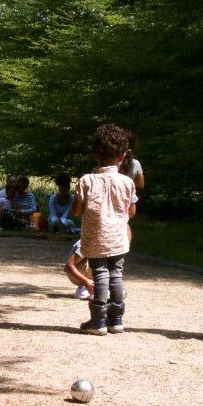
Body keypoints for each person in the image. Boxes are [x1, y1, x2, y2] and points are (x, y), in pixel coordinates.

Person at [71, 124, 137, 335]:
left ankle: (98, 320)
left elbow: (75, 211)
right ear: (123, 155)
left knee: (100, 275)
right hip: (118, 238)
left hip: (96, 238)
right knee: (116, 274)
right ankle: (116, 319)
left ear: (95, 154)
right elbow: (132, 211)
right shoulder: (127, 182)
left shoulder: (86, 181)